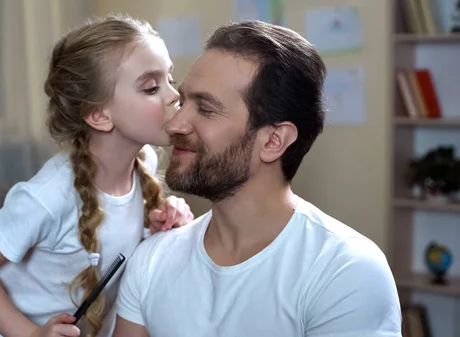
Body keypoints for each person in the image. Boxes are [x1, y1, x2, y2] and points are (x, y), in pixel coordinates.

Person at [112, 20, 402, 337]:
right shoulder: (152, 259)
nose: (175, 124)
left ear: (273, 141)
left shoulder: (345, 271)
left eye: (206, 109)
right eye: (183, 102)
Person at [0, 14, 195, 337]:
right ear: (99, 115)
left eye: (170, 79)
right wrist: (30, 334)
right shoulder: (49, 195)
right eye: (151, 87)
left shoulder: (145, 163)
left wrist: (160, 225)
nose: (174, 94)